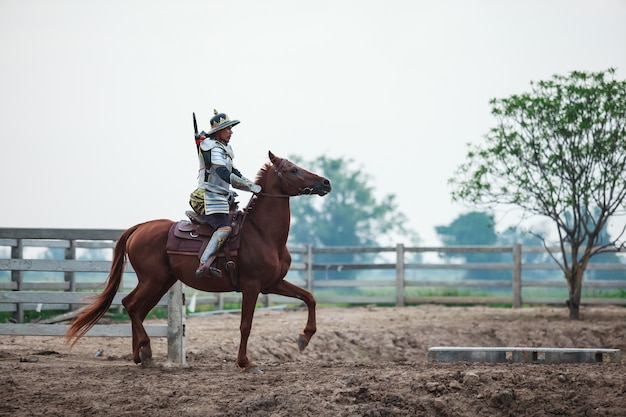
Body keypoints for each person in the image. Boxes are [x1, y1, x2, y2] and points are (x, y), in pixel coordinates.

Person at [189, 109, 261, 278]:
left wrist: (251, 184)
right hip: (207, 197)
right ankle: (204, 264)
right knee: (225, 227)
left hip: (221, 197)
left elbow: (234, 171)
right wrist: (249, 187)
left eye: (231, 128)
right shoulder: (212, 148)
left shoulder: (224, 149)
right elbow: (222, 172)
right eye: (228, 128)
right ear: (219, 131)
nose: (231, 131)